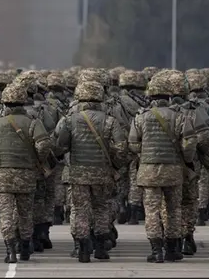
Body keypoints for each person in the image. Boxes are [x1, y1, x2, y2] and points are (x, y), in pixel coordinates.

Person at [54, 80, 126, 263]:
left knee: (80, 211)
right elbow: (121, 148)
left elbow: (60, 146)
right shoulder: (110, 121)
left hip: (78, 174)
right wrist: (115, 166)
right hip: (102, 174)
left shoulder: (69, 120)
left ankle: (83, 249)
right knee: (101, 208)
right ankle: (101, 247)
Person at [128, 71, 195, 263]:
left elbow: (132, 144)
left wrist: (145, 153)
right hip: (173, 170)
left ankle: (156, 250)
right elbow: (190, 143)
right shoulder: (180, 116)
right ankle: (173, 249)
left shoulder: (141, 117)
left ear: (150, 95)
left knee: (152, 210)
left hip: (149, 171)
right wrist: (186, 158)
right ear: (169, 96)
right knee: (174, 210)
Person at [0, 81, 52, 263]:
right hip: (26, 175)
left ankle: (10, 250)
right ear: (23, 101)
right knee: (25, 212)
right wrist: (38, 159)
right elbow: (44, 144)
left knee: (6, 213)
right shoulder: (33, 123)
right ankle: (24, 248)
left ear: (4, 102)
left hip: (3, 175)